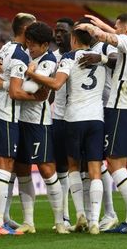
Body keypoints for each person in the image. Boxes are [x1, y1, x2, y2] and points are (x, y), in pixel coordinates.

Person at [26, 18, 106, 235]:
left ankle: (79, 213)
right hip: (97, 118)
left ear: (73, 39)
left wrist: (32, 73)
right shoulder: (102, 58)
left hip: (73, 118)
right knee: (95, 170)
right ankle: (95, 222)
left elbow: (56, 84)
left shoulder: (69, 57)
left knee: (72, 166)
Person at [76, 12, 127, 234]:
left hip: (120, 109)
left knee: (115, 164)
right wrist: (104, 25)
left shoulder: (126, 41)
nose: (115, 30)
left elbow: (106, 37)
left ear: (126, 28)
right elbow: (117, 35)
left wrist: (88, 28)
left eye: (118, 26)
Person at [2, 22, 68, 234]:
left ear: (44, 44)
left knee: (47, 170)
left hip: (38, 124)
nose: (29, 48)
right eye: (28, 43)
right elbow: (28, 91)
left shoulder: (48, 61)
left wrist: (25, 77)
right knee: (22, 170)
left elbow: (34, 91)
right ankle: (29, 222)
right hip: (20, 120)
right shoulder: (29, 58)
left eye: (33, 45)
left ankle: (60, 221)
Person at [0, 13, 48, 235]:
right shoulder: (21, 54)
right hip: (8, 115)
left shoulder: (5, 48)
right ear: (27, 29)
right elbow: (15, 91)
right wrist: (36, 97)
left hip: (1, 112)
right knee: (5, 166)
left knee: (4, 167)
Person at [51, 17, 74, 228]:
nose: (58, 34)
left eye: (62, 31)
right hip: (58, 118)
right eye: (56, 31)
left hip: (79, 118)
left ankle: (99, 214)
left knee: (88, 170)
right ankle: (65, 216)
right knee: (62, 169)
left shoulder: (83, 56)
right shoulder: (52, 57)